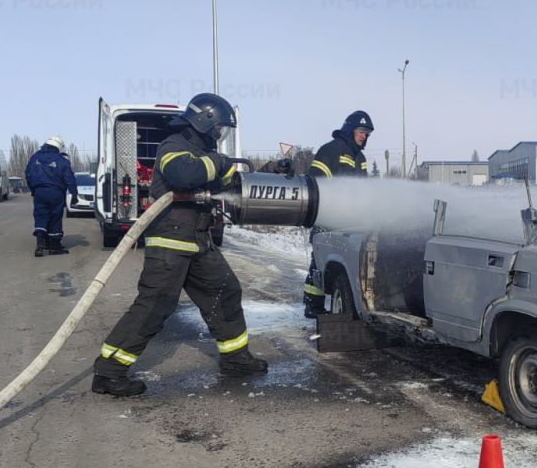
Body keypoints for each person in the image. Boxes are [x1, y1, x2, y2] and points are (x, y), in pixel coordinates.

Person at [91, 93, 269, 397]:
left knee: (226, 291)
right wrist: (218, 163)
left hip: (198, 241)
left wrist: (259, 174)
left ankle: (235, 358)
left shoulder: (201, 152)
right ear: (204, 121)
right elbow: (184, 174)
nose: (219, 135)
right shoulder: (174, 146)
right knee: (156, 305)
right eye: (218, 129)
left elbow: (219, 180)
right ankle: (109, 373)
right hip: (171, 242)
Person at [302, 110, 373, 317]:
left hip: (350, 223)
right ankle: (312, 306)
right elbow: (317, 183)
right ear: (350, 129)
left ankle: (341, 304)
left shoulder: (361, 158)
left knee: (340, 266)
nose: (364, 136)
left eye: (367, 133)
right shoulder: (330, 151)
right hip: (328, 219)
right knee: (319, 264)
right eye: (361, 131)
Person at [25, 136, 78, 256]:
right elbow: (69, 178)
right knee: (55, 216)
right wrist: (74, 193)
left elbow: (28, 175)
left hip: (40, 192)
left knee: (40, 215)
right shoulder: (62, 160)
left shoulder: (34, 158)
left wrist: (33, 189)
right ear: (59, 147)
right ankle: (54, 246)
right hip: (56, 192)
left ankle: (40, 244)